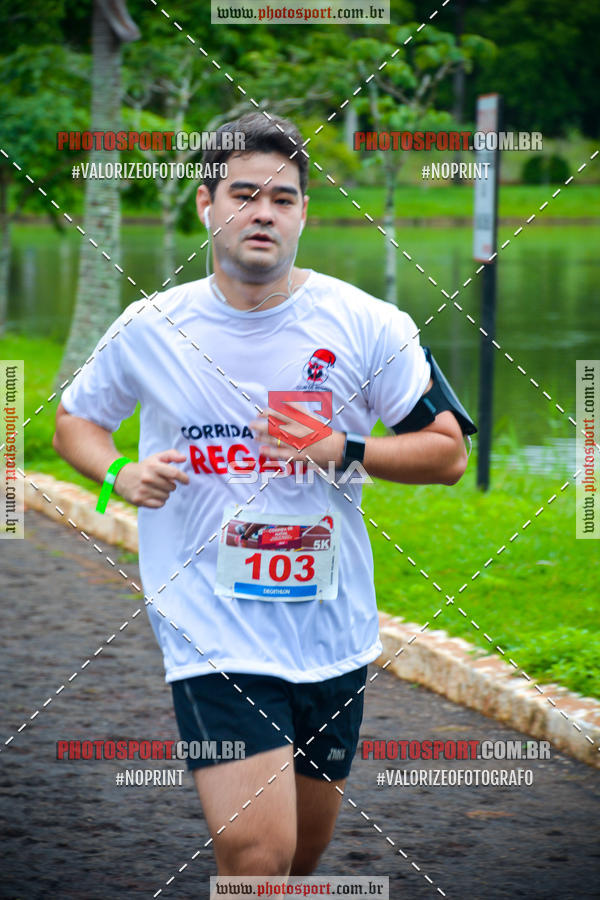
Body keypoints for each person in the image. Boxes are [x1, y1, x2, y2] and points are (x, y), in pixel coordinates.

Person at [52, 112, 469, 878]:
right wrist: (116, 473)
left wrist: (339, 447)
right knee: (255, 852)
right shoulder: (152, 325)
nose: (264, 214)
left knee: (301, 855)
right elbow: (75, 420)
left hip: (332, 632)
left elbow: (447, 451)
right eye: (245, 195)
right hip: (210, 625)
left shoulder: (368, 325)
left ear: (304, 213)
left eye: (283, 199)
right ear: (206, 204)